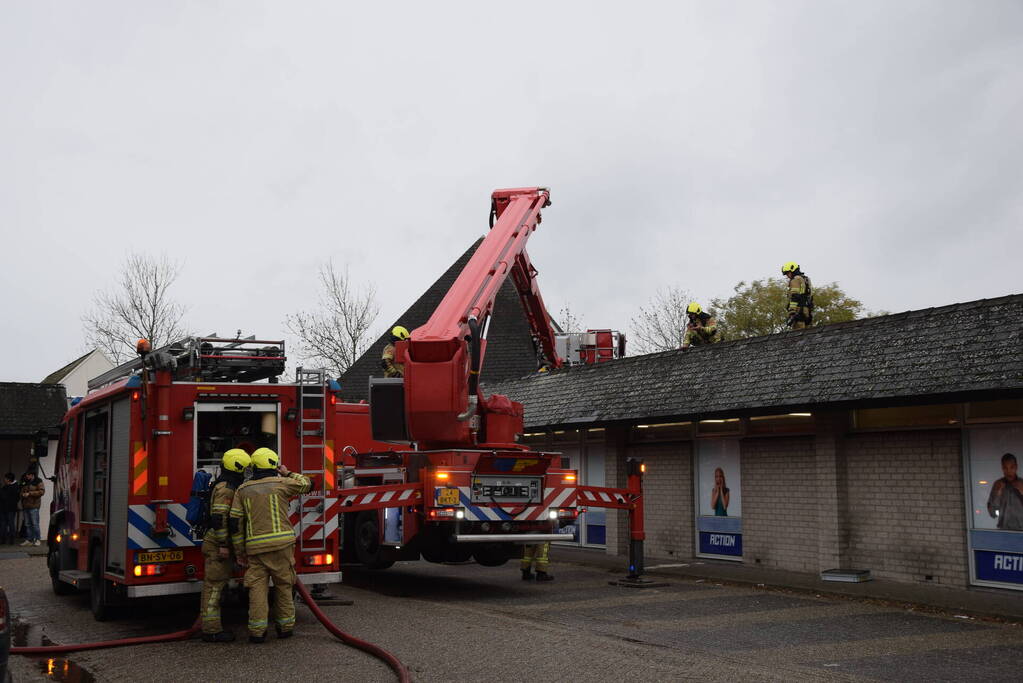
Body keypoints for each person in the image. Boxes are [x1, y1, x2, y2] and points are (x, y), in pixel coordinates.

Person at [230, 447, 312, 643]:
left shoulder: (242, 490)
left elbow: (235, 523)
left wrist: (239, 551)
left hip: (256, 548)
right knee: (284, 585)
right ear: (274, 465)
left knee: (257, 589)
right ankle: (285, 628)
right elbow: (307, 483)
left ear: (253, 467)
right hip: (282, 546)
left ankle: (257, 632)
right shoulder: (282, 483)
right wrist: (287, 472)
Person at [200, 448, 251, 643]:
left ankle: (211, 627)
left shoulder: (228, 484)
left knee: (217, 586)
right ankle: (211, 630)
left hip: (223, 543)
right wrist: (222, 544)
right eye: (245, 468)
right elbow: (219, 518)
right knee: (214, 587)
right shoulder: (226, 489)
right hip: (217, 544)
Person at [987, 453, 1023, 531]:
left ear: (1016, 467)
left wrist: (1022, 491)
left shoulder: (1022, 484)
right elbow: (993, 513)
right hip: (1004, 532)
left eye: (1012, 467)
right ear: (1002, 468)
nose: (1008, 471)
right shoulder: (997, 485)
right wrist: (997, 494)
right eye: (1005, 468)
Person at [781, 262, 813, 329]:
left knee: (798, 333)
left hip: (798, 311)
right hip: (807, 311)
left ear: (793, 270)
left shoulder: (795, 280)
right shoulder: (806, 279)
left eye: (788, 273)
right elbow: (809, 296)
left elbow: (795, 296)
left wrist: (792, 312)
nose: (787, 276)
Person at [19, 470, 44, 546]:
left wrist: (30, 493)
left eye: (28, 475)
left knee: (35, 523)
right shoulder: (25, 481)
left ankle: (37, 539)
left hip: (34, 506)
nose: (27, 476)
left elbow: (42, 492)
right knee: (27, 524)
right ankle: (29, 539)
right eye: (26, 475)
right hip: (26, 506)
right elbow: (21, 491)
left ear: (32, 475)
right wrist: (22, 494)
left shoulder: (38, 481)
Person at [0, 473, 20, 545]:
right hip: (4, 508)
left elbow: (4, 497)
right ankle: (3, 539)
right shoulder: (6, 486)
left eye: (5, 478)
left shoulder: (14, 487)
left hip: (10, 509)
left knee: (10, 524)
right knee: (4, 524)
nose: (4, 479)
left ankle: (11, 540)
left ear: (8, 479)